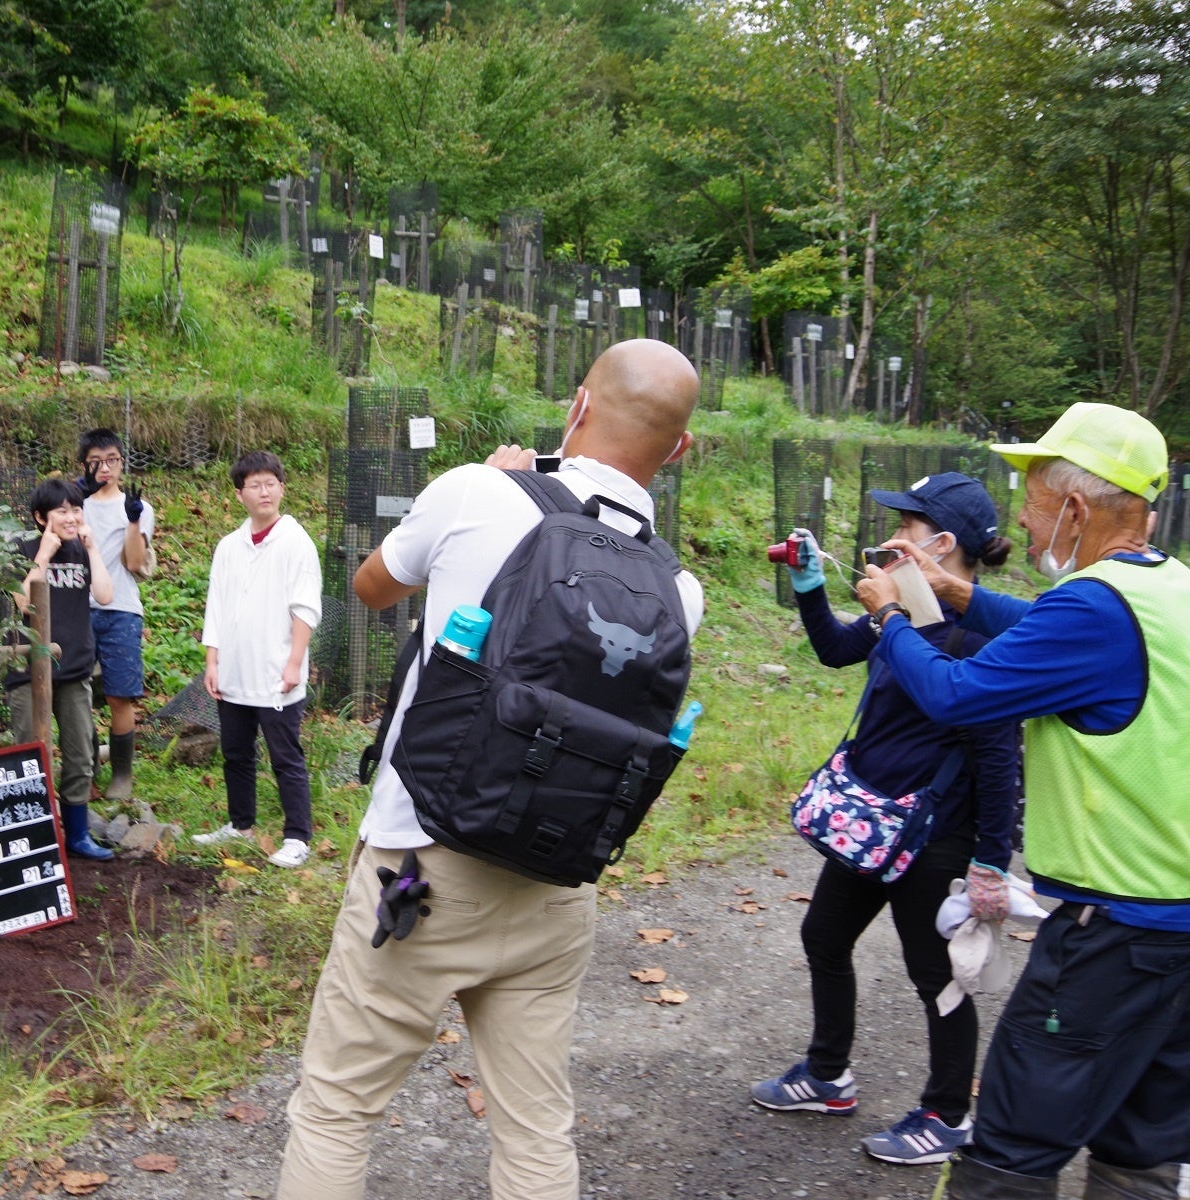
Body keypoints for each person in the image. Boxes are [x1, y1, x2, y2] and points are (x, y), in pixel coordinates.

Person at [275, 339, 701, 1200]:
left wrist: (486, 477)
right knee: (536, 1128)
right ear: (680, 449)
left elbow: (370, 587)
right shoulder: (678, 589)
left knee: (336, 1110)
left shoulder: (477, 493)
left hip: (422, 869)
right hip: (556, 892)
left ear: (578, 405)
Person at [852, 403, 1190, 1200]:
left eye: (1033, 501)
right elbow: (1054, 628)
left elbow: (959, 693)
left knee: (1007, 1155)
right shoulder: (1165, 589)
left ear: (1074, 508)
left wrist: (894, 616)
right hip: (1178, 932)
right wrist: (954, 594)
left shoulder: (1092, 606)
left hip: (1110, 934)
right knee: (1142, 1150)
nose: (1024, 522)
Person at [750, 472, 1021, 1166]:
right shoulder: (901, 609)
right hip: (870, 822)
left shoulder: (982, 637)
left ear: (942, 541)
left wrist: (991, 860)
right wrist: (811, 588)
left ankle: (947, 1114)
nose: (891, 535)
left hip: (935, 834)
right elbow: (837, 649)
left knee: (936, 975)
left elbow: (998, 757)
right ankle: (827, 1074)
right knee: (824, 935)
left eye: (905, 523)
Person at [192, 450, 322, 870]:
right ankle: (240, 823)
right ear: (239, 494)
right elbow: (217, 607)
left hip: (276, 671)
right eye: (255, 485)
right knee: (236, 753)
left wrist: (294, 661)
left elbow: (305, 607)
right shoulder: (229, 547)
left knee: (286, 756)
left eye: (271, 483)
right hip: (234, 670)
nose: (264, 491)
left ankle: (298, 837)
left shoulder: (296, 542)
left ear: (282, 488)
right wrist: (213, 661)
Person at [6, 478, 116, 861]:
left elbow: (104, 594)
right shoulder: (21, 549)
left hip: (73, 669)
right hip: (26, 670)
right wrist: (45, 553)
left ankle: (78, 835)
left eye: (76, 509)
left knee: (80, 753)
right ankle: (33, 836)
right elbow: (22, 601)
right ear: (41, 517)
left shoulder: (82, 551)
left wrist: (93, 548)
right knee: (29, 753)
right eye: (62, 511)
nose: (71, 517)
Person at [76, 428, 156, 802]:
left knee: (120, 696)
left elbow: (136, 562)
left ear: (122, 462)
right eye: (96, 462)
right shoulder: (76, 504)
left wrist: (134, 521)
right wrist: (76, 498)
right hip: (77, 608)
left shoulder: (138, 507)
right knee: (75, 694)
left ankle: (122, 775)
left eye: (111, 460)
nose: (104, 468)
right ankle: (84, 771)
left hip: (121, 609)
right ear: (84, 465)